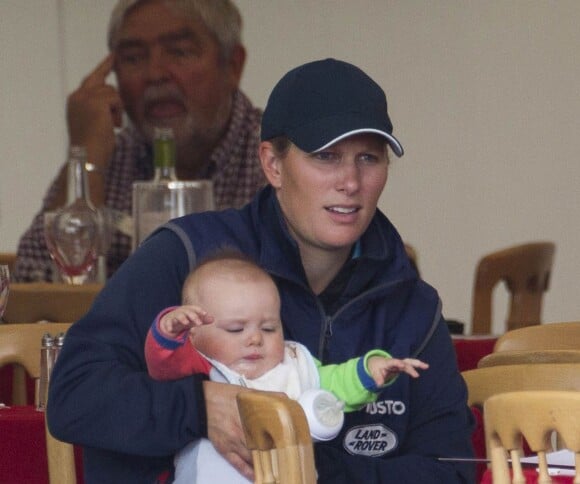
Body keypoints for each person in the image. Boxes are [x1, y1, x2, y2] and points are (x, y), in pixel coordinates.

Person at [47, 58, 475, 483]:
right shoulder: (187, 256)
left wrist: (307, 466)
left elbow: (452, 470)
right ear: (272, 164)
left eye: (369, 157)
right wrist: (202, 407)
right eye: (325, 156)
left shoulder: (410, 303)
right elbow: (75, 395)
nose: (350, 181)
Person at [13, 0, 265, 283]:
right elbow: (34, 287)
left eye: (179, 52)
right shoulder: (112, 156)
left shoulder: (281, 158)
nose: (155, 74)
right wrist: (86, 158)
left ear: (232, 65)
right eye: (133, 58)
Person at [145, 251, 429, 482]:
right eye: (235, 329)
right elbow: (164, 364)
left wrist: (369, 370)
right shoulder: (203, 365)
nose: (255, 338)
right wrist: (168, 332)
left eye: (269, 328)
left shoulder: (295, 363)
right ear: (194, 335)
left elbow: (336, 384)